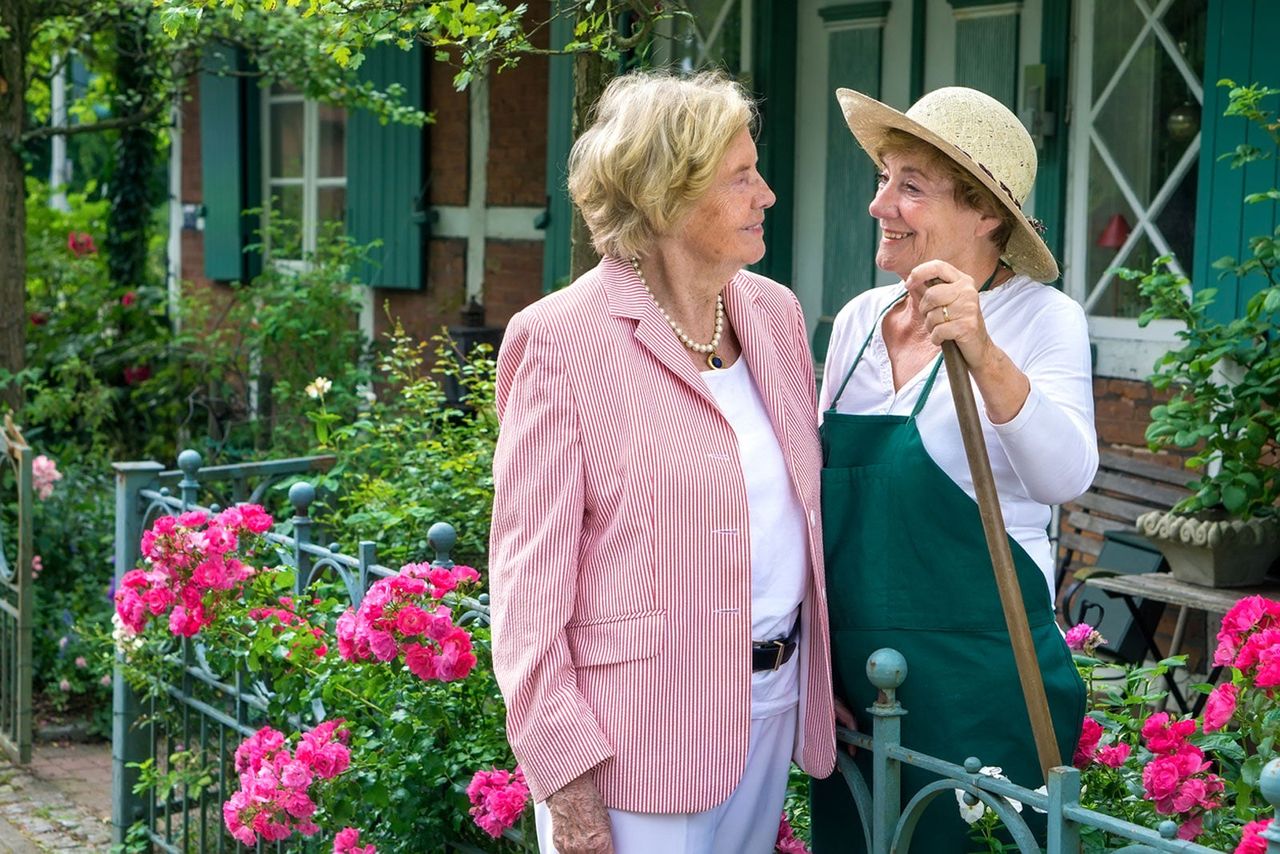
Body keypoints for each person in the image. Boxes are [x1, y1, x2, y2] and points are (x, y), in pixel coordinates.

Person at [489, 69, 836, 854]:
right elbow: (526, 590)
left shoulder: (775, 317)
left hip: (772, 710)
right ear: (667, 195)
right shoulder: (559, 341)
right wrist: (565, 786)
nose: (767, 194)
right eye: (741, 176)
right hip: (635, 740)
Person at [810, 86, 1098, 851]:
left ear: (986, 214)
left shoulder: (1042, 318)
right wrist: (814, 664)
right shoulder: (857, 323)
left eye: (910, 186)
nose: (880, 205)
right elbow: (811, 511)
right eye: (882, 178)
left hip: (983, 682)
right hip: (858, 687)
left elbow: (1065, 476)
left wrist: (983, 352)